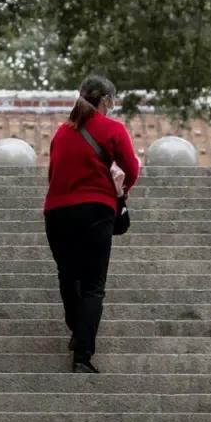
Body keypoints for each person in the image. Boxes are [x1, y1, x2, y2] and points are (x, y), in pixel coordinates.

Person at [44, 75, 140, 373]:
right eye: (113, 100)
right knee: (93, 286)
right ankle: (82, 355)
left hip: (56, 213)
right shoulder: (113, 129)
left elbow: (52, 173)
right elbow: (131, 169)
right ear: (106, 100)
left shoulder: (62, 132)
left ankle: (77, 327)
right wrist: (120, 191)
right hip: (95, 211)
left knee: (67, 275)